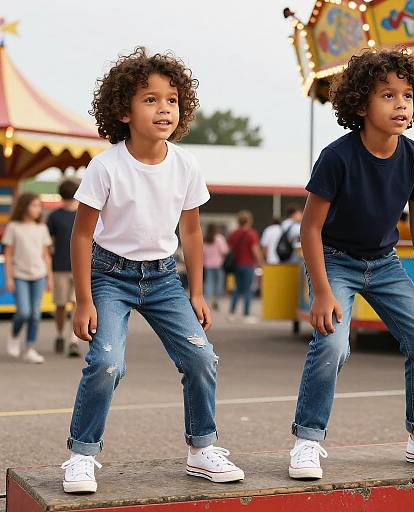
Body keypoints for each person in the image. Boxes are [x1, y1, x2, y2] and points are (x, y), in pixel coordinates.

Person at [60, 47, 244, 494]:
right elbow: (81, 235)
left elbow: (193, 234)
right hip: (109, 276)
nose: (164, 108)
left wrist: (197, 292)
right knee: (106, 363)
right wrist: (84, 300)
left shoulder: (186, 164)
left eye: (172, 100)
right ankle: (81, 456)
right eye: (150, 99)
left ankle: (202, 449)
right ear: (123, 110)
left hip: (163, 278)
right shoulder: (105, 167)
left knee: (200, 357)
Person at [289, 48, 414, 480]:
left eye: (407, 95)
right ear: (360, 104)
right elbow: (310, 229)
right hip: (336, 261)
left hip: (385, 263)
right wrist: (323, 292)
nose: (401, 104)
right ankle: (307, 442)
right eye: (387, 95)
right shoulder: (338, 157)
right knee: (333, 344)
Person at [3, 193, 53, 364]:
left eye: (40, 206)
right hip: (20, 275)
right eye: (34, 205)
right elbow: (8, 256)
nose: (38, 209)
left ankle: (30, 348)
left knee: (35, 314)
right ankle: (15, 334)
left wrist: (49, 278)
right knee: (23, 312)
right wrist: (9, 278)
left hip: (39, 275)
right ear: (24, 207)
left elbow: (46, 256)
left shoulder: (42, 228)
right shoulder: (13, 227)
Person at [47, 179, 81, 357]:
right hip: (78, 266)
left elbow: (49, 244)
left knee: (68, 303)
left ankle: (71, 339)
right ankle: (65, 337)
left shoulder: (53, 216)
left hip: (60, 265)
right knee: (66, 304)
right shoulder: (82, 214)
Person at [227, 210, 262, 323]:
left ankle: (231, 313)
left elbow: (230, 248)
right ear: (248, 221)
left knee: (237, 289)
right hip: (248, 264)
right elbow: (255, 250)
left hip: (236, 265)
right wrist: (261, 262)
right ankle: (246, 315)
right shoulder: (251, 234)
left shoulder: (234, 234)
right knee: (247, 290)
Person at [203, 223, 228, 310]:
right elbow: (225, 251)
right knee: (219, 284)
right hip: (219, 264)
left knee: (209, 283)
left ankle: (207, 302)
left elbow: (203, 252)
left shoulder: (205, 239)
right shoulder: (219, 238)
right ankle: (216, 301)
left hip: (208, 264)